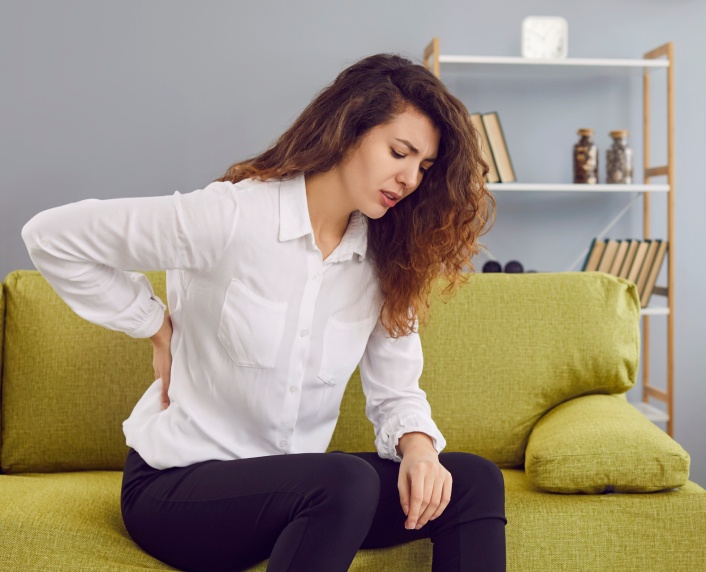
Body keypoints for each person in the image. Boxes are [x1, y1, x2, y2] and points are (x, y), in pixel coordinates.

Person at [20, 53, 502, 572]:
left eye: (423, 168)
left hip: (297, 498)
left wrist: (419, 452)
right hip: (177, 490)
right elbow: (50, 237)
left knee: (472, 482)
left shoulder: (385, 260)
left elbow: (396, 391)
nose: (409, 178)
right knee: (344, 481)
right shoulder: (232, 216)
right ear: (348, 129)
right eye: (399, 152)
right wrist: (154, 324)